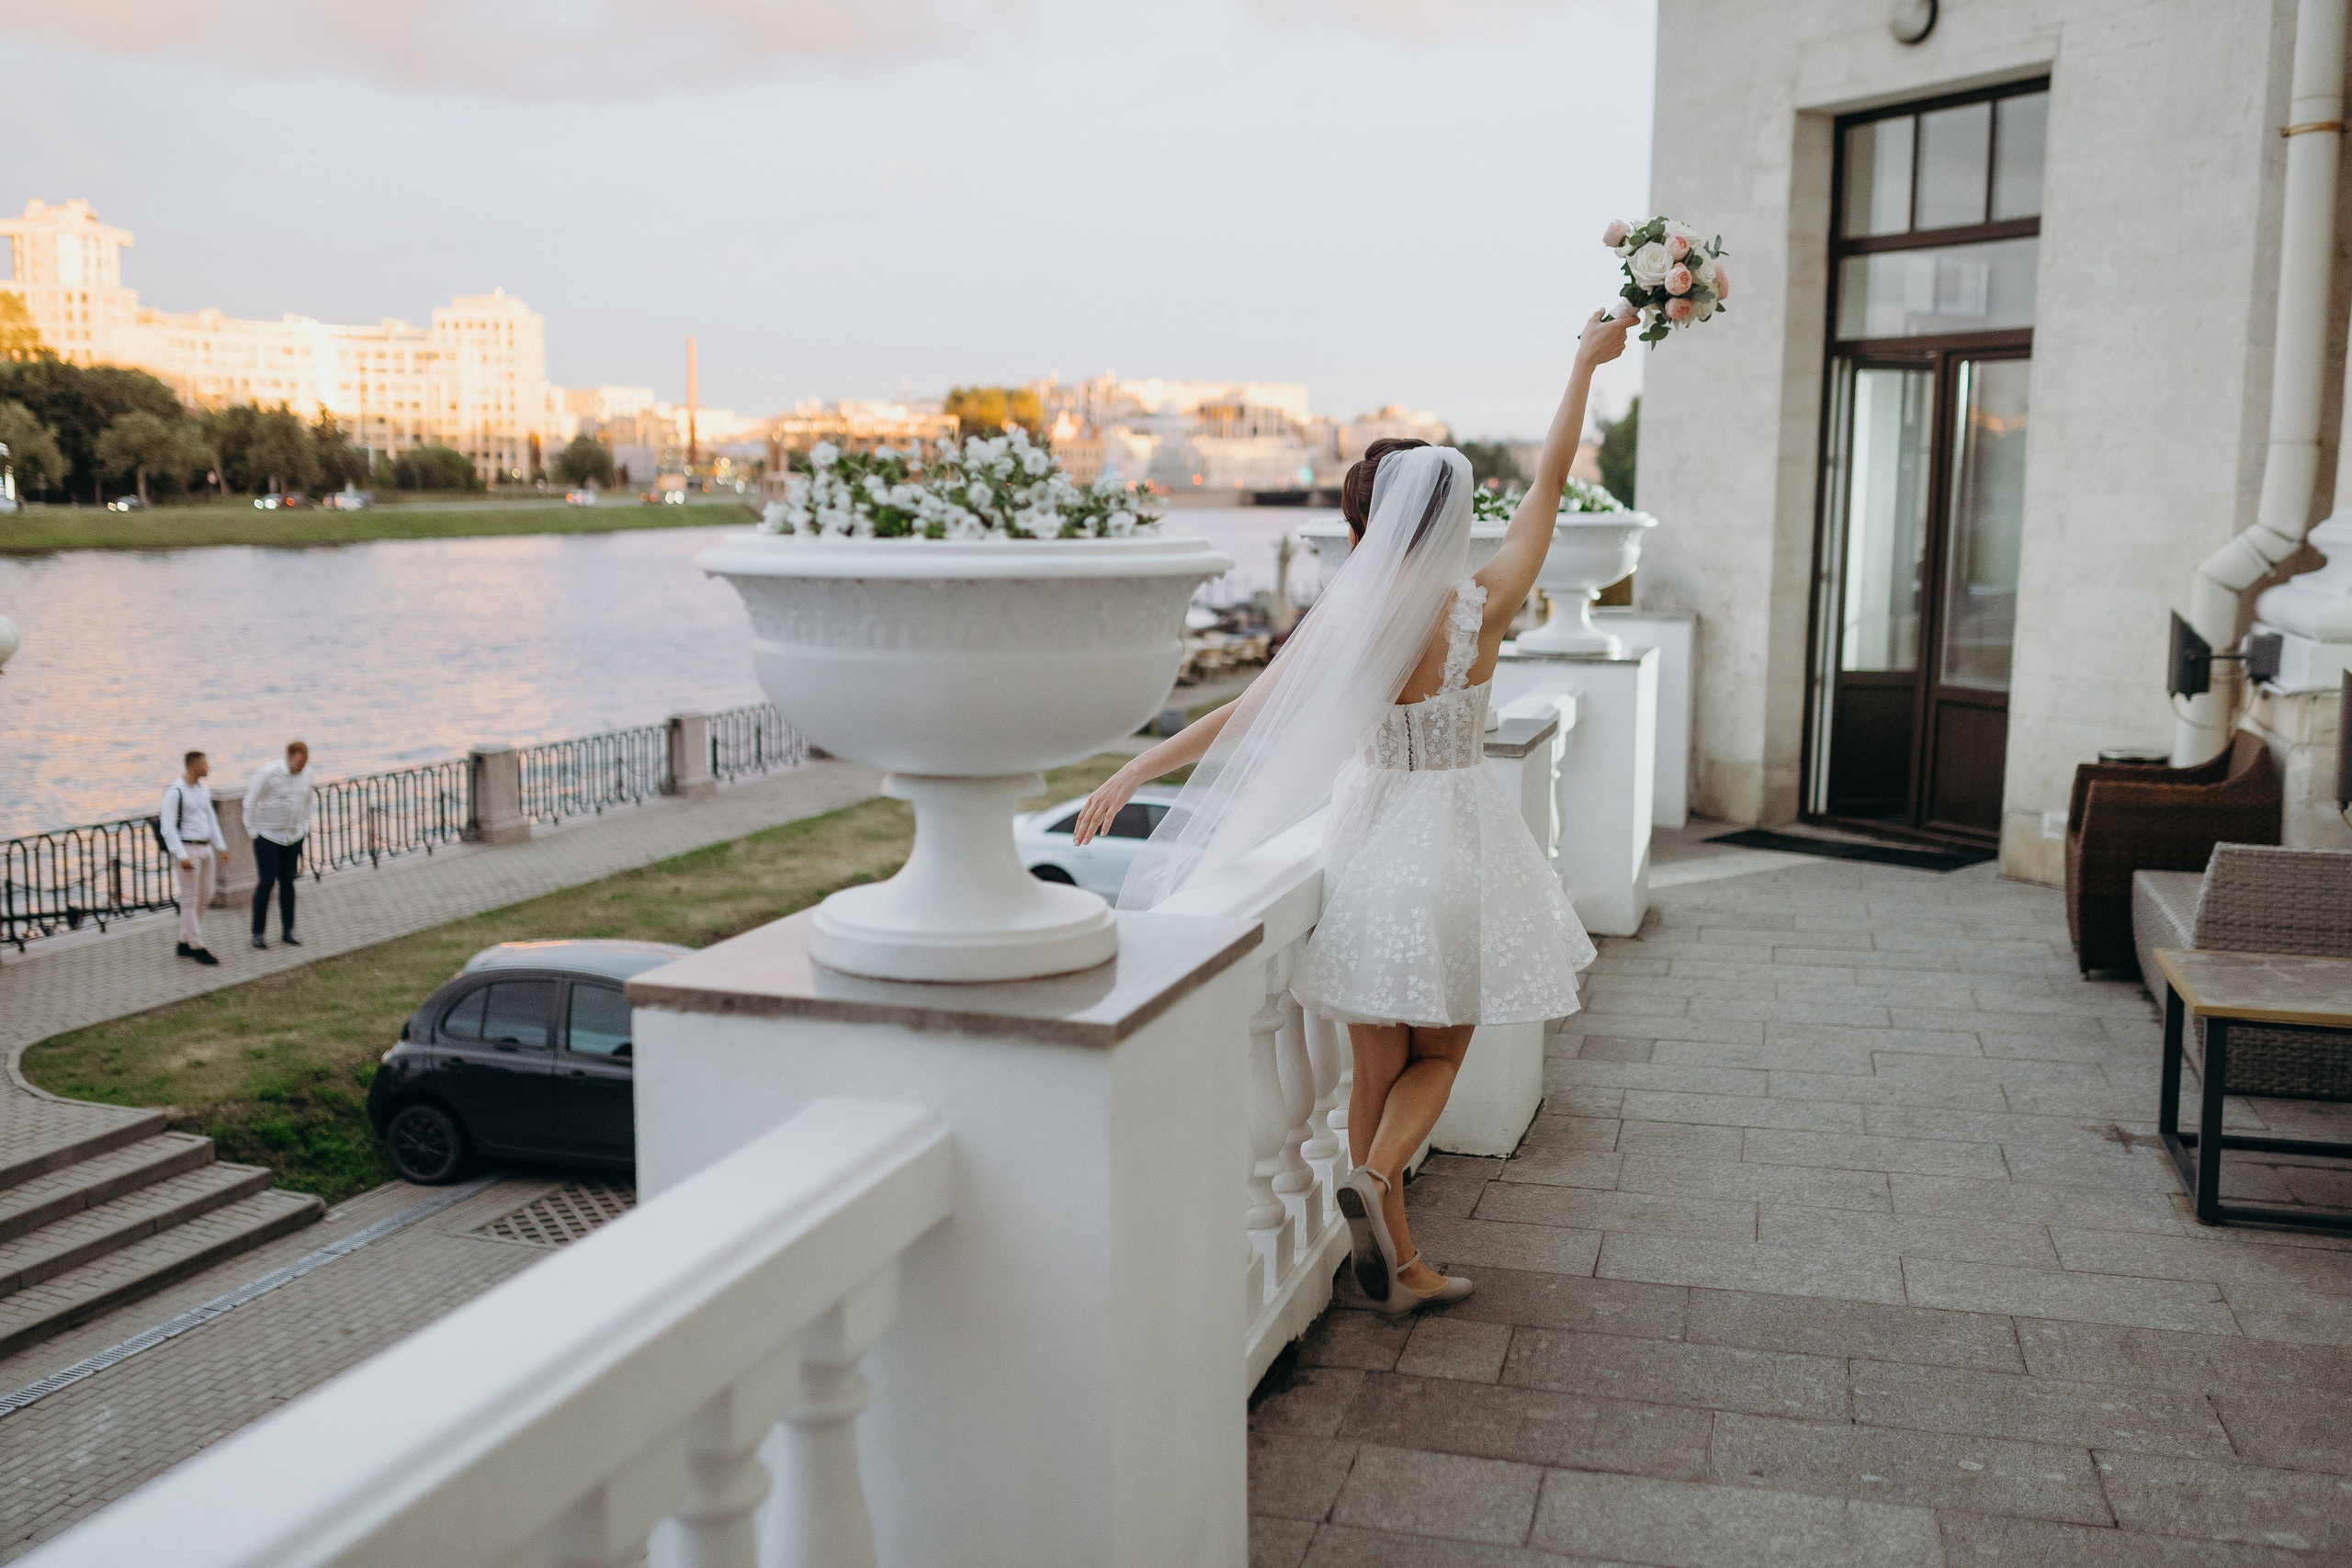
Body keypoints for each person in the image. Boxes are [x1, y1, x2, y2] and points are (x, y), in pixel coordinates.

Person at [1072, 305, 1636, 1314]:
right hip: (1456, 838)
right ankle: (1379, 1187)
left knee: (1376, 1065)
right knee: (1445, 1052)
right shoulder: (1484, 601)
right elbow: (1550, 481)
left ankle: (1399, 1264)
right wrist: (1583, 366)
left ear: (1362, 529)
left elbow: (1248, 718)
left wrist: (1138, 768)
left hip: (1370, 841)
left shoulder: (1355, 627)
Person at [244, 739, 314, 949]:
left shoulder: (307, 775)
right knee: (266, 882)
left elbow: (308, 802)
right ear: (290, 756)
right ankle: (258, 932)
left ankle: (288, 930)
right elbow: (250, 801)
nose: (302, 766)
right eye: (299, 761)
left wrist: (304, 827)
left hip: (292, 837)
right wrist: (253, 832)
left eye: (305, 762)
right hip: (268, 836)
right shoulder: (269, 773)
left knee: (288, 882)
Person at [161, 750, 228, 965]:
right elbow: (168, 827)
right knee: (189, 899)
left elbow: (211, 819)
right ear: (194, 766)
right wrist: (180, 855)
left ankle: (184, 940)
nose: (208, 767)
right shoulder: (174, 792)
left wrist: (221, 846)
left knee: (206, 895)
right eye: (205, 764)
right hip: (188, 849)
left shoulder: (202, 790)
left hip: (205, 847)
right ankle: (197, 945)